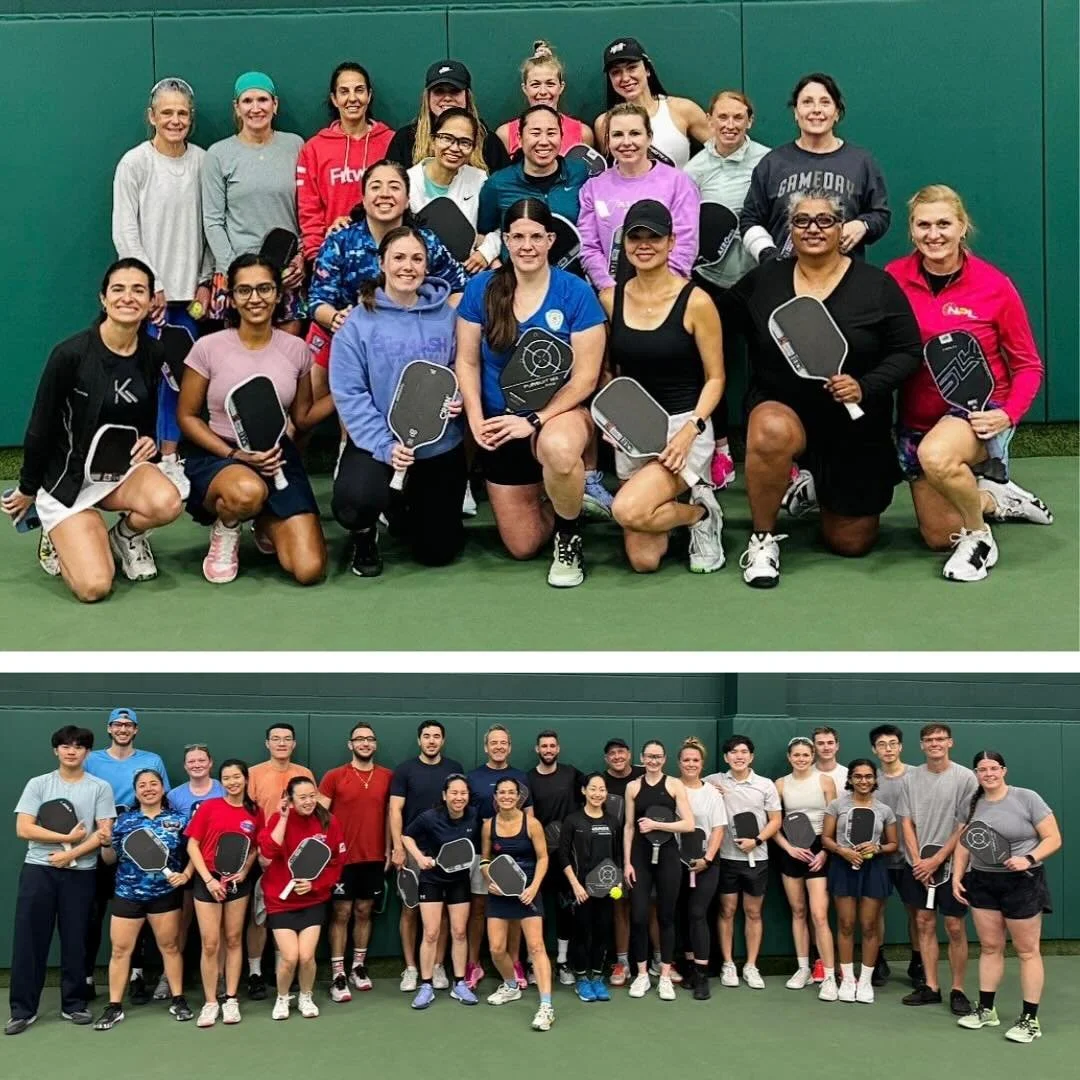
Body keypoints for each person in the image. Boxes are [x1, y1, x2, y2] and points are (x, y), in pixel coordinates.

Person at [728, 189, 922, 587]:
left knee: (851, 543)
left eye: (824, 220)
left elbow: (907, 352)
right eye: (801, 221)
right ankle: (763, 537)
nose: (813, 229)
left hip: (853, 426)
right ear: (789, 228)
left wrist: (865, 386)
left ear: (840, 228)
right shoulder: (763, 281)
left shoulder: (877, 285)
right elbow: (714, 322)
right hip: (784, 408)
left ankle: (814, 485)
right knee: (769, 429)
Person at [886, 185, 1053, 581]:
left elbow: (1029, 366)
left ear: (963, 227)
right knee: (940, 535)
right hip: (917, 420)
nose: (934, 234)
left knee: (938, 456)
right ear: (911, 231)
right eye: (923, 225)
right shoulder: (892, 278)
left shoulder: (994, 285)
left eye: (944, 223)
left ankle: (980, 538)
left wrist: (1006, 415)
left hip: (977, 414)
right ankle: (996, 499)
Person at [2, 259, 183, 599]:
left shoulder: (152, 352)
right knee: (94, 586)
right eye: (118, 289)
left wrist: (148, 441)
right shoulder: (70, 354)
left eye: (138, 290)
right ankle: (60, 534)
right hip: (67, 480)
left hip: (116, 471)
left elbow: (144, 412)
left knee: (168, 502)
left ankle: (125, 536)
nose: (127, 297)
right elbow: (40, 427)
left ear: (150, 302)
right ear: (103, 299)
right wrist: (28, 489)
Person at [456, 198, 606, 587]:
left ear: (550, 240)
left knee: (557, 448)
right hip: (501, 426)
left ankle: (568, 535)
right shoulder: (481, 290)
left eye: (536, 237)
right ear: (505, 240)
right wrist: (475, 420)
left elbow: (585, 379)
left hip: (558, 418)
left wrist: (535, 421)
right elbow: (468, 362)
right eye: (517, 237)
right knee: (521, 546)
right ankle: (566, 497)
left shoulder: (575, 293)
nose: (527, 246)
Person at [177, 254, 326, 586]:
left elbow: (302, 417)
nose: (255, 298)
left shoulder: (297, 350)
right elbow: (187, 417)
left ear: (278, 294)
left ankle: (264, 519)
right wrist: (234, 455)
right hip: (219, 455)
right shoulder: (207, 347)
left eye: (264, 289)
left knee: (309, 568)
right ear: (230, 296)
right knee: (246, 491)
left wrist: (347, 394)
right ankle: (228, 525)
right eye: (244, 290)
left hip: (276, 456)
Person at [328, 226, 466, 576]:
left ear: (427, 265)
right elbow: (350, 394)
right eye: (399, 258)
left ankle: (401, 507)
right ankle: (364, 532)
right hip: (378, 445)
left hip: (437, 446)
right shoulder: (355, 325)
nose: (409, 266)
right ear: (382, 263)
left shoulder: (448, 317)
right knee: (353, 503)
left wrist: (458, 396)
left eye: (417, 258)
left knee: (437, 551)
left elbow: (461, 367)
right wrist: (385, 446)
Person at [601, 198, 725, 574]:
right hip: (632, 428)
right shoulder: (610, 299)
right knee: (643, 561)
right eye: (635, 236)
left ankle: (703, 514)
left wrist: (690, 431)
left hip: (684, 424)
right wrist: (612, 419)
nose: (644, 244)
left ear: (671, 242)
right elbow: (607, 372)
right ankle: (689, 508)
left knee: (627, 509)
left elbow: (716, 378)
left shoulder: (697, 302)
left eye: (654, 237)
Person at [112, 76, 211, 496]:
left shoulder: (205, 162)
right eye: (166, 112)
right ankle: (134, 462)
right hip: (146, 298)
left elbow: (212, 228)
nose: (175, 120)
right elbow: (125, 231)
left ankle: (170, 459)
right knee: (138, 380)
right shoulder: (134, 163)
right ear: (151, 117)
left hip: (190, 300)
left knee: (180, 383)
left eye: (182, 113)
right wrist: (147, 286)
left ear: (191, 118)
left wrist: (205, 281)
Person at [306, 159, 468, 382]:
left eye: (394, 187)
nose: (384, 194)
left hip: (415, 344)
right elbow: (317, 299)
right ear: (363, 199)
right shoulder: (340, 241)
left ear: (407, 199)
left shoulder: (426, 242)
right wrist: (334, 318)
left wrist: (436, 320)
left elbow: (460, 286)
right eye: (375, 187)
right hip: (354, 342)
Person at [685, 89, 770, 488]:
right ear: (710, 118)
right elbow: (689, 230)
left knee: (767, 365)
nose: (730, 125)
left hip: (759, 281)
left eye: (739, 117)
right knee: (711, 367)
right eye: (722, 117)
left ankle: (767, 448)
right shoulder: (695, 170)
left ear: (749, 120)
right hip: (712, 285)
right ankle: (719, 449)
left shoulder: (768, 162)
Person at [6, 726, 114, 1036]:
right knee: (29, 940)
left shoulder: (100, 787)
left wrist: (72, 853)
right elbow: (24, 828)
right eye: (65, 745)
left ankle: (74, 1004)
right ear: (56, 750)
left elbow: (103, 832)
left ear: (87, 753)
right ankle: (22, 1010)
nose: (71, 750)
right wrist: (64, 838)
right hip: (38, 871)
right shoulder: (38, 784)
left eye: (79, 746)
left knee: (76, 939)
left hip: (80, 876)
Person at [954, 751, 1061, 1043]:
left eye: (993, 768)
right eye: (981, 769)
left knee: (1027, 951)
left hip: (1023, 883)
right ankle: (987, 1010)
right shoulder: (971, 803)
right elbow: (965, 843)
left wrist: (1028, 858)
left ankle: (1030, 1019)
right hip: (982, 882)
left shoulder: (1027, 798)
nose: (988, 773)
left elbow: (1053, 838)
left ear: (1004, 770)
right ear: (976, 773)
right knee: (989, 946)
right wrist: (956, 876)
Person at [740, 72, 890, 265]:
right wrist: (767, 254)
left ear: (836, 113)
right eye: (807, 102)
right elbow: (749, 220)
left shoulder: (861, 162)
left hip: (845, 278)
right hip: (785, 278)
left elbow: (881, 215)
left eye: (825, 102)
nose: (816, 110)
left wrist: (863, 225)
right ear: (795, 111)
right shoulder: (772, 163)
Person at [201, 72, 305, 329]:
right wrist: (233, 271)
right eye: (247, 101)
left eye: (263, 100)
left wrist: (301, 257)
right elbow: (213, 220)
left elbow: (307, 209)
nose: (256, 108)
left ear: (275, 104)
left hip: (286, 274)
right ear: (237, 108)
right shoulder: (218, 154)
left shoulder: (296, 146)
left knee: (286, 359)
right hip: (238, 274)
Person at [93, 769, 193, 1029]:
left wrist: (185, 875)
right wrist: (105, 844)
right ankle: (114, 1007)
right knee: (119, 950)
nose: (148, 788)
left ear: (162, 788)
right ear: (136, 791)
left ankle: (178, 999)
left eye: (153, 784)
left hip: (165, 895)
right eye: (142, 785)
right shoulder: (124, 821)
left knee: (170, 947)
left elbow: (195, 851)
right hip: (127, 894)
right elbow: (110, 860)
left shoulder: (179, 820)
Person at [83, 709, 171, 1005]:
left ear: (136, 730)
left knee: (142, 915)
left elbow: (161, 798)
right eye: (117, 724)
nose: (122, 729)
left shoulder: (151, 760)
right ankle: (86, 978)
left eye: (128, 725)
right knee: (93, 916)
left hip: (143, 848)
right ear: (109, 728)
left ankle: (136, 976)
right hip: (101, 846)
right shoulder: (92, 759)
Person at [896, 722, 978, 1014]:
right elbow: (905, 821)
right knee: (923, 922)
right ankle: (931, 986)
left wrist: (938, 858)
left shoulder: (966, 778)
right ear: (921, 745)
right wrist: (918, 860)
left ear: (950, 743)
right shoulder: (910, 779)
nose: (934, 743)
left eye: (940, 739)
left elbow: (964, 825)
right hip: (917, 866)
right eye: (929, 740)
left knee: (954, 926)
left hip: (952, 867)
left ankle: (958, 989)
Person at [579, 104, 700, 290]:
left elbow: (685, 242)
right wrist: (609, 289)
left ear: (649, 137)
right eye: (618, 135)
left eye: (635, 133)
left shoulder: (679, 183)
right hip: (611, 295)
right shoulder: (593, 188)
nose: (626, 142)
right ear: (608, 140)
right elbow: (589, 248)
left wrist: (660, 289)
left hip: (667, 292)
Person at [259, 777, 346, 1021]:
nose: (309, 802)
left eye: (312, 796)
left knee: (307, 956)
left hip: (313, 900)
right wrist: (284, 817)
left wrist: (314, 884)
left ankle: (306, 996)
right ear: (290, 799)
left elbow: (337, 863)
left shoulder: (329, 821)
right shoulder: (278, 819)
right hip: (279, 901)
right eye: (302, 797)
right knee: (289, 957)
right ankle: (283, 997)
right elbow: (268, 851)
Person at [389, 722, 466, 993]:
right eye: (426, 736)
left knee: (444, 913)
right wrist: (398, 847)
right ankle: (411, 968)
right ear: (419, 740)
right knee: (410, 911)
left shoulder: (453, 768)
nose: (431, 741)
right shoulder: (405, 770)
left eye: (436, 736)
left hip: (448, 854)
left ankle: (437, 966)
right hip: (413, 853)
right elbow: (395, 810)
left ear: (443, 740)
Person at [184, 758, 261, 1028]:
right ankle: (210, 1002)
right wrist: (208, 880)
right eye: (226, 778)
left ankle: (230, 999)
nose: (232, 782)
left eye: (236, 777)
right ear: (221, 781)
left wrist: (244, 870)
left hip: (238, 884)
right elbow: (193, 845)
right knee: (210, 943)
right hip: (207, 882)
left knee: (233, 939)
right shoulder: (209, 807)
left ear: (245, 778)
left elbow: (253, 848)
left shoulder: (254, 812)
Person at [319, 723, 392, 1000]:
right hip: (341, 860)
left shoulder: (387, 776)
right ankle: (338, 973)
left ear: (375, 744)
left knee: (364, 911)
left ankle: (357, 967)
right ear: (350, 744)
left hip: (373, 858)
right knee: (341, 914)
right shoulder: (334, 776)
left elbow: (390, 816)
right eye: (359, 739)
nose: (365, 743)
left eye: (370, 739)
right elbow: (319, 816)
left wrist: (389, 848)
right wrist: (324, 854)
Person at [242, 725, 315, 1003]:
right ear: (267, 743)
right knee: (258, 918)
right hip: (261, 854)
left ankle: (279, 971)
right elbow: (248, 812)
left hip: (294, 861)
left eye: (287, 740)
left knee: (282, 916)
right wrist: (259, 851)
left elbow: (312, 812)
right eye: (276, 739)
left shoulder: (304, 775)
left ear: (294, 744)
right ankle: (255, 973)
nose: (281, 743)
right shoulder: (254, 774)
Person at [296, 62, 395, 263]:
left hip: (387, 252)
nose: (352, 98)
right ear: (334, 99)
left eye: (359, 90)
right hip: (335, 255)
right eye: (344, 91)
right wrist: (315, 254)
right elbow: (309, 209)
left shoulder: (391, 141)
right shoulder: (314, 148)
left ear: (369, 95)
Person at [704, 735, 782, 989]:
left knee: (753, 912)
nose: (739, 756)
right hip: (725, 858)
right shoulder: (713, 780)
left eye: (744, 751)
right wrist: (707, 790)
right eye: (733, 752)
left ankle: (751, 965)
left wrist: (756, 841)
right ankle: (728, 964)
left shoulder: (765, 785)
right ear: (726, 757)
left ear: (751, 756)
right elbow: (687, 786)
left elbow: (775, 821)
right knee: (726, 911)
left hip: (757, 859)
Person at [821, 759, 899, 1004]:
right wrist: (842, 851)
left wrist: (877, 848)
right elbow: (826, 839)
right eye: (858, 776)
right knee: (845, 924)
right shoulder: (836, 806)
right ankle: (847, 979)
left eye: (868, 776)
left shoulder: (884, 810)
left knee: (868, 926)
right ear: (851, 779)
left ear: (875, 779)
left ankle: (865, 981)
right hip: (843, 867)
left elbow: (893, 844)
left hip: (873, 869)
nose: (863, 781)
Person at [402, 773, 483, 1008]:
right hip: (432, 880)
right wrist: (419, 857)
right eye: (454, 793)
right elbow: (406, 836)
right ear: (445, 795)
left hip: (459, 880)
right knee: (430, 933)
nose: (459, 797)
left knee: (459, 932)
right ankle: (426, 985)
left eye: (463, 793)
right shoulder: (429, 817)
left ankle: (460, 984)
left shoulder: (474, 815)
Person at [476, 105, 592, 268]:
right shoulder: (497, 184)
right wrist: (497, 268)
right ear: (520, 138)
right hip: (514, 280)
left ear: (561, 136)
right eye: (535, 133)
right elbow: (483, 232)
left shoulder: (581, 174)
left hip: (571, 278)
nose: (544, 141)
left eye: (551, 133)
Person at [623, 740, 695, 1000]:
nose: (653, 760)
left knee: (666, 918)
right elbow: (629, 827)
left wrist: (657, 825)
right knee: (639, 917)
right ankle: (642, 974)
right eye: (649, 756)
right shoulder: (633, 787)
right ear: (642, 758)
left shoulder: (674, 785)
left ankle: (665, 975)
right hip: (640, 859)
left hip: (668, 857)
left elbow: (688, 824)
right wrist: (627, 862)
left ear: (664, 759)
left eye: (658, 756)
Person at [464, 725, 534, 990]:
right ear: (486, 747)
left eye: (503, 742)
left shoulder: (520, 778)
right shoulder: (474, 777)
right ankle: (474, 964)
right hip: (482, 854)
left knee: (515, 912)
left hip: (517, 857)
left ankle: (515, 962)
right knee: (479, 909)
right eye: (494, 743)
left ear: (510, 746)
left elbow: (530, 816)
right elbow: (467, 815)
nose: (499, 747)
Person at [481, 777, 553, 1031]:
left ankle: (546, 1007)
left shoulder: (531, 824)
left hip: (528, 894)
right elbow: (485, 859)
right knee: (496, 950)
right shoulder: (489, 826)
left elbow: (543, 858)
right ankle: (511, 986)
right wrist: (490, 879)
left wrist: (533, 888)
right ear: (496, 797)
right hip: (499, 895)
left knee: (536, 947)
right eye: (502, 793)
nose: (507, 797)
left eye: (512, 793)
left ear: (518, 797)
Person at [774, 737, 838, 1000]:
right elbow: (774, 823)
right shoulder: (780, 784)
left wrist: (824, 850)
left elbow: (834, 818)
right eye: (796, 755)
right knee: (798, 911)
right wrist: (788, 848)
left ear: (812, 756)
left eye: (805, 755)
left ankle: (830, 976)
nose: (801, 759)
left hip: (818, 849)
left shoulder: (825, 781)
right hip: (791, 850)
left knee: (819, 915)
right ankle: (803, 968)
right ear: (789, 757)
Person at [164, 744, 225, 1000]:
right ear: (185, 766)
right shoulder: (175, 796)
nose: (197, 764)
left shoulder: (223, 790)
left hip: (218, 866)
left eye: (202, 760)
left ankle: (219, 978)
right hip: (183, 864)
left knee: (217, 929)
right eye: (192, 761)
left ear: (210, 763)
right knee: (182, 922)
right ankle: (168, 978)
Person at [594, 37, 709, 168]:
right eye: (616, 72)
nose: (625, 78)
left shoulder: (683, 109)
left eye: (632, 68)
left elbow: (724, 149)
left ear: (647, 70)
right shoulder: (604, 123)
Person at [526, 730, 584, 986]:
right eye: (544, 746)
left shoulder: (571, 774)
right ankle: (531, 961)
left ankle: (562, 961)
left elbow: (597, 784)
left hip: (565, 857)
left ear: (558, 749)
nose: (548, 750)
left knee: (564, 910)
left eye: (552, 746)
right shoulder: (527, 779)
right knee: (535, 910)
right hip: (537, 856)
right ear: (537, 749)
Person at [386, 60, 510, 175]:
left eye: (454, 91)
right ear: (427, 97)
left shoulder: (488, 142)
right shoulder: (405, 139)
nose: (447, 98)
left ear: (467, 96)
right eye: (439, 91)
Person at [868, 724, 921, 989]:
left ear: (900, 746)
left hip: (912, 859)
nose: (887, 749)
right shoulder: (870, 779)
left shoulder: (917, 776)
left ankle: (918, 961)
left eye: (892, 744)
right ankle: (877, 959)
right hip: (878, 858)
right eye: (881, 744)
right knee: (876, 912)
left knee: (917, 913)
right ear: (874, 749)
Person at [559, 772, 619, 1002]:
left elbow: (617, 856)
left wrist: (617, 882)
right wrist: (575, 885)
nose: (597, 793)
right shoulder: (573, 820)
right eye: (592, 788)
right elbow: (563, 856)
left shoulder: (613, 821)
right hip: (580, 891)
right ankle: (582, 978)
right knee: (582, 934)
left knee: (603, 932)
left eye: (602, 789)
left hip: (606, 891)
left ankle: (597, 977)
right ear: (584, 791)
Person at [407, 108, 490, 273]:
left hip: (464, 272)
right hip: (416, 273)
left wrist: (486, 252)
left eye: (465, 142)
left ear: (473, 147)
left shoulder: (479, 180)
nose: (454, 148)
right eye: (446, 138)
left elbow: (499, 227)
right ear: (432, 140)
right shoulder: (407, 182)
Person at [674, 738, 726, 1000]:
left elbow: (719, 828)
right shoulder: (671, 788)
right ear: (679, 763)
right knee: (681, 915)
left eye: (695, 760)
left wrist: (707, 858)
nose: (691, 764)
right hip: (676, 863)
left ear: (702, 764)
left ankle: (703, 974)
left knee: (697, 913)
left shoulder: (712, 793)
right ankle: (689, 968)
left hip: (707, 864)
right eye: (686, 760)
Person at [497, 40, 594, 156]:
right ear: (525, 89)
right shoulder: (505, 134)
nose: (543, 92)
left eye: (550, 84)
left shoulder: (583, 133)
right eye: (535, 85)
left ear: (561, 87)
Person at [601, 738, 643, 986]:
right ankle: (622, 962)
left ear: (629, 754)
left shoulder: (642, 775)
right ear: (607, 758)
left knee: (650, 906)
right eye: (612, 753)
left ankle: (658, 960)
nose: (617, 756)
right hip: (609, 856)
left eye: (621, 752)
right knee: (620, 908)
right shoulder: (600, 782)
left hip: (645, 854)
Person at [813, 726, 848, 792]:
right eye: (820, 743)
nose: (826, 748)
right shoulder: (806, 774)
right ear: (814, 747)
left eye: (830, 743)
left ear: (837, 746)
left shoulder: (848, 775)